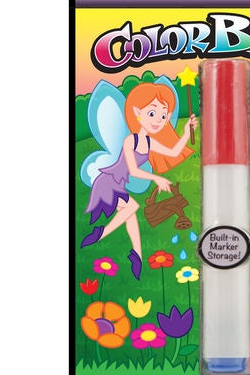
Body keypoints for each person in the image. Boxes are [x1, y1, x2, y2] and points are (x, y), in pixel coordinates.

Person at [81, 82, 197, 279]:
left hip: (118, 183)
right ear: (137, 112)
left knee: (131, 217)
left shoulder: (149, 142)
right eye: (152, 113)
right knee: (132, 207)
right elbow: (133, 170)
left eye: (163, 116)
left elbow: (173, 152)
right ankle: (101, 233)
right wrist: (156, 177)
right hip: (109, 181)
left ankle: (137, 257)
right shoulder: (131, 140)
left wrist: (186, 132)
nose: (158, 120)